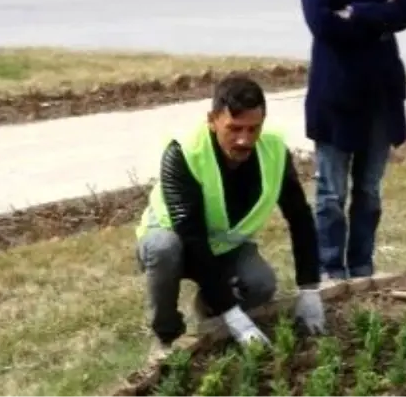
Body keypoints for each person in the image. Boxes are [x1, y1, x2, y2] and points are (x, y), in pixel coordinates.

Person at [134, 74, 325, 361]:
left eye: (253, 129)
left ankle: (211, 312)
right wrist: (234, 315)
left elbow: (299, 217)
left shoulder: (273, 151)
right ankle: (166, 336)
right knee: (164, 248)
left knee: (261, 283)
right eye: (234, 128)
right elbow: (192, 237)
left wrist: (309, 288)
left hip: (225, 247)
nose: (244, 139)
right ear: (212, 119)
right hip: (176, 241)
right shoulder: (183, 153)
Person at [296, 0, 406, 281]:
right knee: (331, 194)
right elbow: (321, 24)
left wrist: (357, 12)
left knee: (368, 191)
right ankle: (331, 270)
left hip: (381, 91)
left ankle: (362, 266)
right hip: (336, 91)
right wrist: (380, 14)